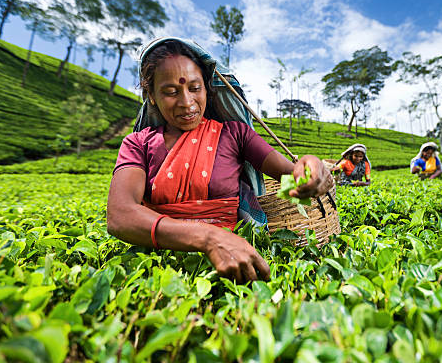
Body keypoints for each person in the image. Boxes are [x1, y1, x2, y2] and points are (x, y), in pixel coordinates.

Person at [106, 37, 334, 284]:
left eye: (194, 88)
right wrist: (209, 238)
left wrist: (310, 169)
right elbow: (120, 215)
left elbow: (292, 179)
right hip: (156, 273)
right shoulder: (138, 143)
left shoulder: (236, 135)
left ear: (207, 87)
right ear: (151, 95)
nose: (186, 102)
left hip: (235, 266)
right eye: (171, 92)